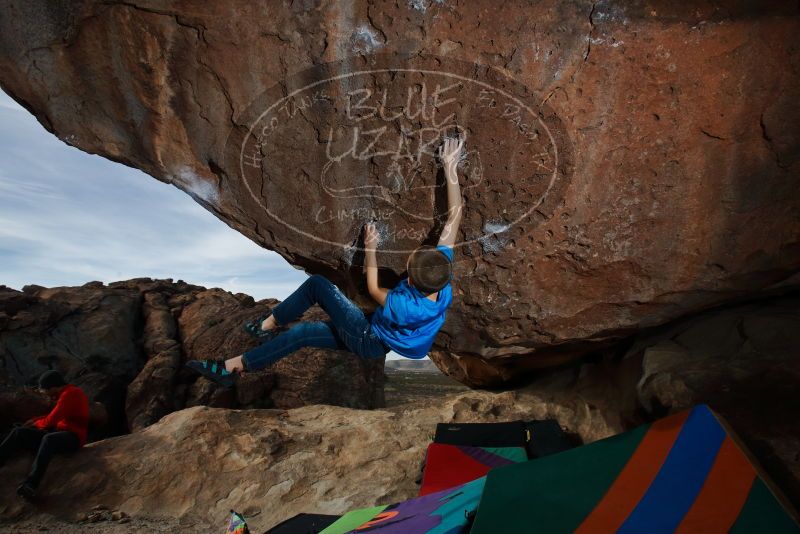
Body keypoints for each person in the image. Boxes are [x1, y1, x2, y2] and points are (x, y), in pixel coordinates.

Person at [186, 136, 466, 388]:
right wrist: (450, 167)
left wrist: (370, 247)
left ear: (411, 280)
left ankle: (265, 326)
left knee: (318, 285)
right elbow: (455, 215)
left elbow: (372, 287)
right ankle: (231, 368)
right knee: (303, 334)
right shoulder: (440, 274)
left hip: (369, 336)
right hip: (377, 339)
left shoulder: (404, 305)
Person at [0, 370, 89, 500]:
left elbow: (51, 421)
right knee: (19, 432)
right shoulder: (64, 394)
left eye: (44, 390)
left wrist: (35, 424)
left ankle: (31, 485)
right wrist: (34, 421)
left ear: (53, 387)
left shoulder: (71, 394)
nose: (44, 394)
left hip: (73, 437)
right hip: (60, 432)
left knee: (48, 439)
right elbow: (51, 417)